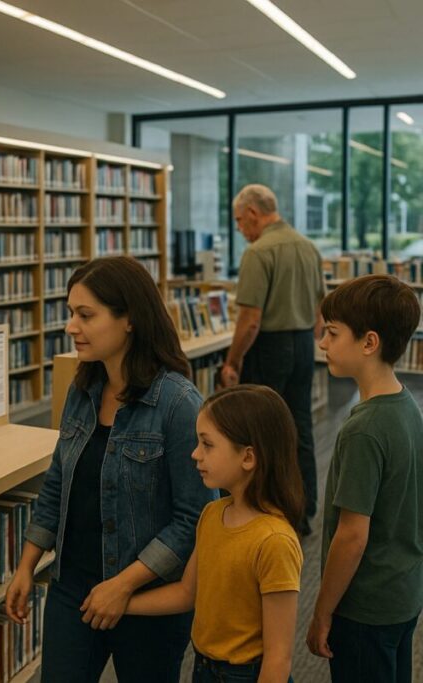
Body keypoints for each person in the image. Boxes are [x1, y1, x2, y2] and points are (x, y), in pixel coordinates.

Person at [5, 256, 215, 682]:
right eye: (70, 314)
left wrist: (123, 586)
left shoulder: (177, 403)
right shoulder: (82, 391)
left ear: (130, 320)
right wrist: (27, 565)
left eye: (86, 315)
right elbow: (58, 481)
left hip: (147, 597)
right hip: (73, 588)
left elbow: (194, 518)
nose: (70, 327)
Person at [126, 384, 304, 683]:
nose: (195, 454)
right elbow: (187, 593)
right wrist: (122, 604)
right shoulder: (211, 515)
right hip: (204, 668)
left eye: (207, 445)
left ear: (248, 457)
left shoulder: (274, 542)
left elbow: (278, 658)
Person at [306, 274, 423, 682]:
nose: (322, 343)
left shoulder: (364, 429)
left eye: (333, 334)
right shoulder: (407, 405)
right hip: (403, 594)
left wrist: (321, 612)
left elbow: (352, 536)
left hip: (364, 608)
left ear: (369, 342)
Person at [220, 184, 324, 536]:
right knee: (300, 427)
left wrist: (232, 362)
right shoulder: (308, 248)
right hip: (303, 345)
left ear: (252, 213)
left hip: (269, 347)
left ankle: (264, 509)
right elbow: (320, 309)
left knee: (260, 431)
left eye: (238, 220)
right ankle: (303, 510)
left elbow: (250, 318)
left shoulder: (258, 252)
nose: (239, 229)